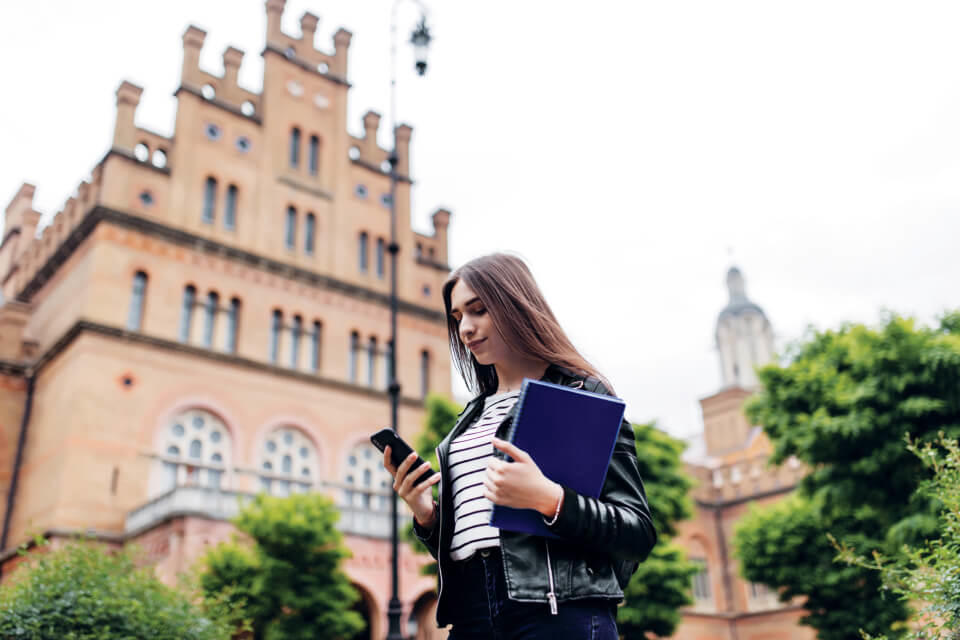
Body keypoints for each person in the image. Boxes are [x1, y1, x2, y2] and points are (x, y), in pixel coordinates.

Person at [383, 253, 656, 639]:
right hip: (471, 612)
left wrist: (550, 499)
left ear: (514, 306)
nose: (465, 328)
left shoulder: (580, 393)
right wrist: (429, 518)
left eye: (478, 311)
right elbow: (477, 537)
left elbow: (637, 532)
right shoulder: (468, 420)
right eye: (458, 317)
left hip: (556, 612)